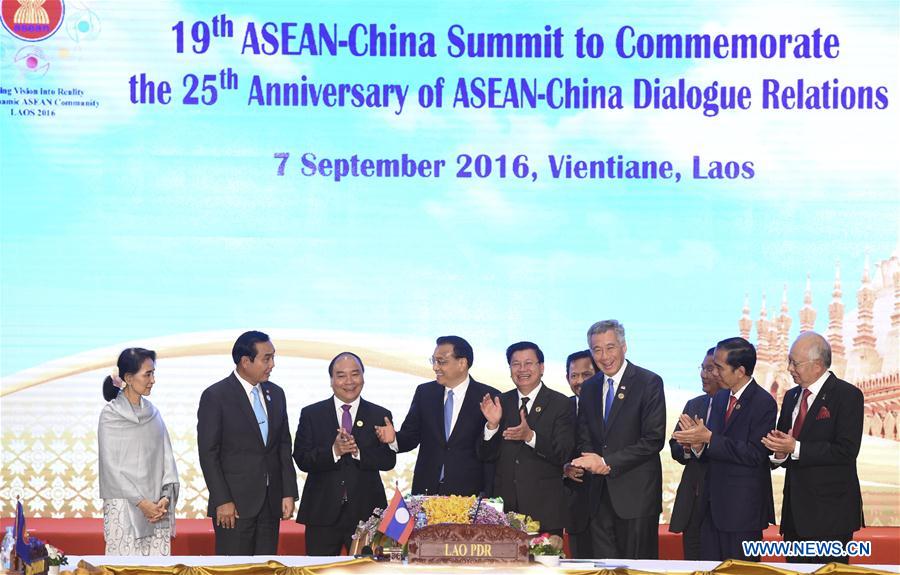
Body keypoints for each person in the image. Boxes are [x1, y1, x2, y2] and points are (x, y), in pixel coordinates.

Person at [762, 332, 864, 564]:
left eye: (795, 363)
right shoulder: (790, 397)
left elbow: (846, 450)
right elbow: (786, 445)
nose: (789, 368)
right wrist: (779, 454)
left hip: (830, 516)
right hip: (794, 515)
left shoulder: (847, 396)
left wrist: (795, 447)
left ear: (817, 365)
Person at [672, 337, 775, 562]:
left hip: (742, 512)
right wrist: (697, 445)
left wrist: (709, 438)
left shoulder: (763, 402)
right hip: (711, 508)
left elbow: (756, 454)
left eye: (719, 367)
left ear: (740, 371)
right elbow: (712, 449)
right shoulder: (720, 399)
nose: (714, 373)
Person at [197, 331, 298, 555]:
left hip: (270, 505)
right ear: (245, 361)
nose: (272, 364)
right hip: (234, 507)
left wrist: (288, 491)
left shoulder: (276, 393)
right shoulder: (216, 396)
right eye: (267, 358)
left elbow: (283, 446)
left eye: (273, 357)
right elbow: (208, 454)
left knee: (265, 568)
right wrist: (222, 500)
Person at [571, 320, 666, 559]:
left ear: (624, 346)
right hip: (598, 498)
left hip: (636, 498)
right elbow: (584, 436)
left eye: (610, 347)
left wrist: (606, 461)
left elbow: (653, 440)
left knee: (636, 569)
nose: (604, 356)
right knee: (602, 567)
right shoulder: (590, 387)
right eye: (597, 349)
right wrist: (589, 459)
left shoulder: (648, 382)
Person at [293, 352, 396, 555]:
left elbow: (388, 460)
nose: (349, 382)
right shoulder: (312, 414)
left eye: (355, 374)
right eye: (341, 376)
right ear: (331, 380)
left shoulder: (379, 414)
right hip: (321, 512)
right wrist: (334, 451)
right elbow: (302, 458)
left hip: (367, 514)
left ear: (363, 377)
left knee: (368, 570)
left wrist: (358, 452)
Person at [374, 336, 500, 496]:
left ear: (462, 363)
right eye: (433, 361)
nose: (435, 367)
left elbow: (489, 454)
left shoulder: (488, 397)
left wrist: (492, 426)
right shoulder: (425, 393)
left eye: (441, 361)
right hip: (426, 491)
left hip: (469, 496)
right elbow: (411, 436)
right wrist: (393, 439)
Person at [479, 342, 574, 535]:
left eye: (529, 363)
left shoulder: (561, 403)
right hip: (504, 512)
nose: (522, 369)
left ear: (542, 367)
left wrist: (530, 436)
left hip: (545, 511)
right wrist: (492, 426)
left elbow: (564, 452)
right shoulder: (499, 402)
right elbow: (484, 455)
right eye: (516, 364)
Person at [98, 348, 179, 555]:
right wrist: (141, 503)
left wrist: (165, 498)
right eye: (147, 374)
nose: (153, 380)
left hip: (156, 510)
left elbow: (167, 460)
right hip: (123, 508)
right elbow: (110, 467)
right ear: (128, 378)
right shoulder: (110, 415)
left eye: (153, 373)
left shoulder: (153, 413)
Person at [668, 347, 723, 560]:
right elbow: (674, 444)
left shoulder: (735, 407)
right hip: (692, 503)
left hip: (721, 502)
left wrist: (703, 443)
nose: (703, 374)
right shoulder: (695, 404)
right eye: (702, 368)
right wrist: (687, 446)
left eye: (710, 369)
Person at [563, 349, 596, 559]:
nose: (579, 381)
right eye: (574, 375)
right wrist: (563, 468)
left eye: (586, 375)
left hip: (613, 509)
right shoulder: (560, 407)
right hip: (576, 509)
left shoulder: (613, 408)